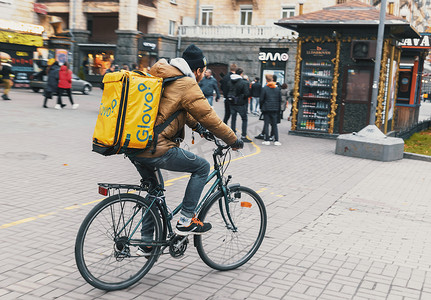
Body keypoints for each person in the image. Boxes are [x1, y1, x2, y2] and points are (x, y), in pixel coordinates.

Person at [128, 44, 244, 247]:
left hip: (135, 144)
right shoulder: (187, 84)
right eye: (202, 71)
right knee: (202, 167)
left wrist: (199, 129)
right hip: (157, 147)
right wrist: (233, 140)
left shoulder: (165, 76)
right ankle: (185, 221)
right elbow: (210, 117)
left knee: (155, 192)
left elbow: (181, 110)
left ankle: (147, 244)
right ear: (198, 70)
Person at [227, 68, 252, 143]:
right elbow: (247, 93)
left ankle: (233, 134)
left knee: (233, 118)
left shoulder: (230, 81)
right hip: (241, 103)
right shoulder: (244, 82)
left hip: (232, 102)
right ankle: (243, 136)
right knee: (244, 119)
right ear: (241, 74)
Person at [260, 73, 282, 146]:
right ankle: (276, 140)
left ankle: (267, 139)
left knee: (266, 124)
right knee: (274, 124)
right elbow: (280, 100)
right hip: (275, 108)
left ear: (266, 80)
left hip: (266, 108)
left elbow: (261, 99)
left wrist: (261, 107)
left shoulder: (265, 88)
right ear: (272, 79)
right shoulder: (277, 88)